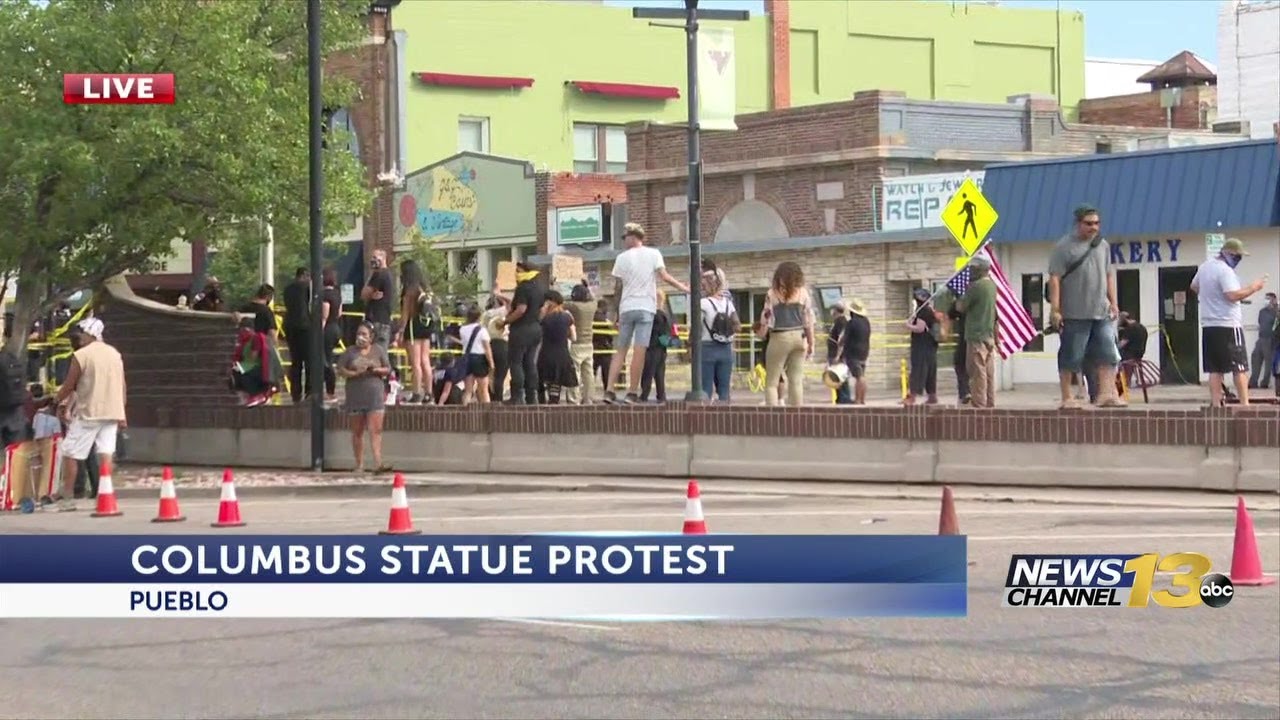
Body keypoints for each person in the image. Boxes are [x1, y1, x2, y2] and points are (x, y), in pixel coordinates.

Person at [1047, 205, 1125, 409]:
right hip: (1075, 312)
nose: (1094, 227)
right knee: (1071, 355)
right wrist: (1055, 309)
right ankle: (1067, 397)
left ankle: (1106, 395)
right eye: (1089, 223)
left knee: (1108, 354)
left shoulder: (1103, 246)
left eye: (1097, 223)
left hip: (1102, 310)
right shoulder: (1063, 247)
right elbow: (1054, 279)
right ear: (1078, 223)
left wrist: (1114, 303)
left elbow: (1109, 275)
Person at [604, 223, 688, 404]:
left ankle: (609, 390)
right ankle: (632, 392)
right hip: (645, 307)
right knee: (639, 351)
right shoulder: (654, 254)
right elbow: (664, 277)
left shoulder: (621, 258)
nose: (624, 240)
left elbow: (618, 287)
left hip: (626, 307)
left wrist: (616, 314)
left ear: (633, 236)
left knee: (620, 350)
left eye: (625, 237)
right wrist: (683, 287)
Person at [48, 318, 126, 512]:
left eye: (82, 333)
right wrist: (122, 410)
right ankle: (105, 494)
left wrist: (57, 400)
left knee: (70, 452)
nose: (80, 337)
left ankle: (67, 496)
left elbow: (70, 384)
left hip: (89, 411)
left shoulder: (81, 355)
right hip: (113, 411)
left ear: (90, 333)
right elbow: (123, 384)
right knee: (105, 452)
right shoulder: (114, 354)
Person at [1191, 238, 1270, 407]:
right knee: (1239, 366)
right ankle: (1245, 405)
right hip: (1228, 324)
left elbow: (1194, 287)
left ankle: (1216, 404)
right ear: (1228, 254)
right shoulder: (1225, 271)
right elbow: (1232, 295)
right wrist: (1254, 287)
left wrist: (1210, 298)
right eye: (1237, 257)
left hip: (1209, 325)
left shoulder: (1205, 266)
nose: (1238, 261)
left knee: (1215, 368)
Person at [336, 323, 392, 473]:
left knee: (376, 430)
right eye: (358, 333)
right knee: (357, 432)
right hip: (356, 396)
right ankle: (359, 464)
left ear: (371, 337)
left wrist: (375, 369)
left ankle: (378, 463)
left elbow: (388, 368)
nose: (361, 337)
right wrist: (354, 373)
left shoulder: (378, 350)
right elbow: (340, 369)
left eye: (364, 334)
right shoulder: (350, 352)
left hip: (374, 395)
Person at [761, 261, 815, 407]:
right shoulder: (803, 292)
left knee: (772, 381)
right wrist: (811, 343)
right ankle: (796, 416)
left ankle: (772, 415)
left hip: (779, 336)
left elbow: (766, 318)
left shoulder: (772, 294)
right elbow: (808, 321)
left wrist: (762, 333)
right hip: (799, 337)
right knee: (796, 380)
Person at [955, 255, 999, 408]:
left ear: (979, 269)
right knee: (988, 373)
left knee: (977, 371)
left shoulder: (976, 287)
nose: (970, 272)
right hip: (988, 334)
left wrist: (962, 294)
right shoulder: (992, 286)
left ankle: (979, 405)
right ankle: (989, 402)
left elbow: (960, 307)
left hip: (976, 334)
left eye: (972, 269)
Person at [503, 262, 545, 405]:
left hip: (521, 330)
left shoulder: (523, 288)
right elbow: (542, 310)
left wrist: (505, 322)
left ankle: (517, 396)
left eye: (518, 271)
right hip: (535, 329)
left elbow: (521, 309)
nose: (516, 273)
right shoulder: (540, 288)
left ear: (526, 272)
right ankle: (531, 397)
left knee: (516, 362)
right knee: (530, 363)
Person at [396, 260, 435, 404]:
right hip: (426, 326)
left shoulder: (409, 290)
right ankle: (429, 393)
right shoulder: (426, 288)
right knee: (426, 361)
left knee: (415, 363)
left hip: (413, 327)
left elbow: (405, 313)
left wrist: (400, 331)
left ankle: (416, 392)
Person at [699, 267, 739, 403]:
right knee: (724, 389)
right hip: (726, 348)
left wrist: (690, 345)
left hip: (706, 347)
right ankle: (725, 418)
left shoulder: (702, 304)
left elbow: (696, 329)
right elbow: (737, 325)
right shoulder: (728, 303)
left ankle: (705, 418)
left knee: (705, 389)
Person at [537, 289, 578, 405]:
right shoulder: (567, 316)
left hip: (546, 353)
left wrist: (544, 310)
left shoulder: (544, 319)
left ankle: (544, 404)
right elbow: (574, 337)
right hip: (562, 353)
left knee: (543, 380)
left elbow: (538, 328)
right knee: (556, 381)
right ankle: (554, 403)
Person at [904, 288, 940, 405]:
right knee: (930, 371)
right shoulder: (930, 310)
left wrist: (908, 325)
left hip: (922, 345)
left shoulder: (923, 311)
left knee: (918, 370)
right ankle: (932, 396)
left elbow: (920, 328)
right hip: (931, 345)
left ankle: (912, 396)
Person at [564, 282, 598, 404]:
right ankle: (589, 398)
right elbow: (594, 297)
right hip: (589, 343)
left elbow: (560, 301)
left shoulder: (574, 306)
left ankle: (574, 399)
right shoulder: (592, 305)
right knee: (588, 373)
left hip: (576, 343)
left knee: (575, 372)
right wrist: (587, 286)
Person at [282, 267, 311, 404]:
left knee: (296, 362)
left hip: (290, 326)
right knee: (309, 361)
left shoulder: (288, 289)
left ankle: (295, 394)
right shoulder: (306, 288)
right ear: (304, 276)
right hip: (305, 327)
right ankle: (310, 393)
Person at [640, 291, 674, 403]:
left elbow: (655, 331)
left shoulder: (655, 316)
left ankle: (644, 395)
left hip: (652, 346)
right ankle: (661, 395)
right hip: (662, 348)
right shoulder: (666, 315)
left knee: (648, 372)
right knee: (659, 372)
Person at [455, 306, 494, 404]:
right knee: (484, 389)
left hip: (467, 358)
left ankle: (465, 412)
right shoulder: (482, 330)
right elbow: (487, 348)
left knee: (468, 390)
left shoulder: (462, 329)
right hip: (479, 358)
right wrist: (491, 363)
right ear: (479, 317)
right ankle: (487, 412)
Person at [837, 299, 871, 405]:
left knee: (858, 376)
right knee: (862, 375)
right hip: (864, 351)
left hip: (853, 352)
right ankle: (862, 399)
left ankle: (857, 399)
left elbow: (845, 339)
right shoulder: (866, 322)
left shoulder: (851, 323)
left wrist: (840, 351)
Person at [361, 249, 394, 348]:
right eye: (372, 257)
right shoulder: (388, 274)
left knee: (376, 354)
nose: (372, 260)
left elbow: (364, 294)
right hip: (384, 320)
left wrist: (369, 294)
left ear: (383, 258)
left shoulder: (379, 274)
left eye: (375, 257)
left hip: (377, 321)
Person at [320, 267, 343, 402]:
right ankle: (331, 391)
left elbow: (324, 315)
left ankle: (328, 391)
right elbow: (339, 313)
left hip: (327, 329)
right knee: (329, 358)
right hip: (335, 327)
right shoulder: (337, 294)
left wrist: (319, 331)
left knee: (324, 360)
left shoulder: (324, 295)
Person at [482, 295, 510, 403]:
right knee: (500, 376)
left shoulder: (485, 315)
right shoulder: (504, 312)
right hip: (503, 345)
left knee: (490, 375)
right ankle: (498, 400)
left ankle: (491, 398)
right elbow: (510, 304)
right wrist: (500, 295)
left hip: (489, 345)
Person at [1249, 292, 1277, 390]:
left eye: (1268, 298)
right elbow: (1260, 322)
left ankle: (1265, 383)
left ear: (1274, 300)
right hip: (1261, 338)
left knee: (1268, 361)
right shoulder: (1262, 311)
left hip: (1270, 339)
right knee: (1255, 357)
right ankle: (1253, 382)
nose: (1266, 300)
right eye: (1266, 298)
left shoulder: (1276, 312)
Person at [827, 303, 850, 404]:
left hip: (838, 354)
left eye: (832, 309)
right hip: (833, 353)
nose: (831, 312)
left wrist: (838, 355)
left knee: (840, 375)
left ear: (836, 310)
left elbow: (841, 339)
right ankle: (840, 397)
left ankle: (844, 397)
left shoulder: (841, 321)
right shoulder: (837, 322)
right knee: (836, 376)